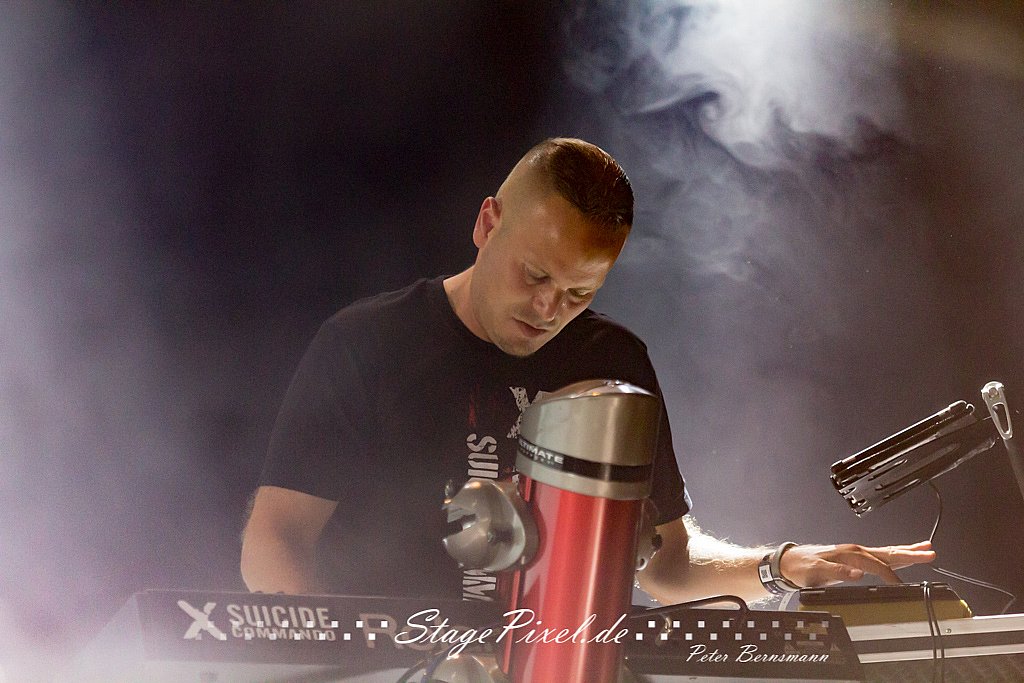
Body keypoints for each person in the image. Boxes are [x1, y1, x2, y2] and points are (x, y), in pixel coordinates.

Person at [240, 137, 934, 605]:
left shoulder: (615, 361)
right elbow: (275, 536)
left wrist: (778, 565)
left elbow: (665, 562)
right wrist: (343, 658)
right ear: (487, 224)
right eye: (535, 275)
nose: (548, 309)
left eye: (579, 292)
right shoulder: (367, 342)